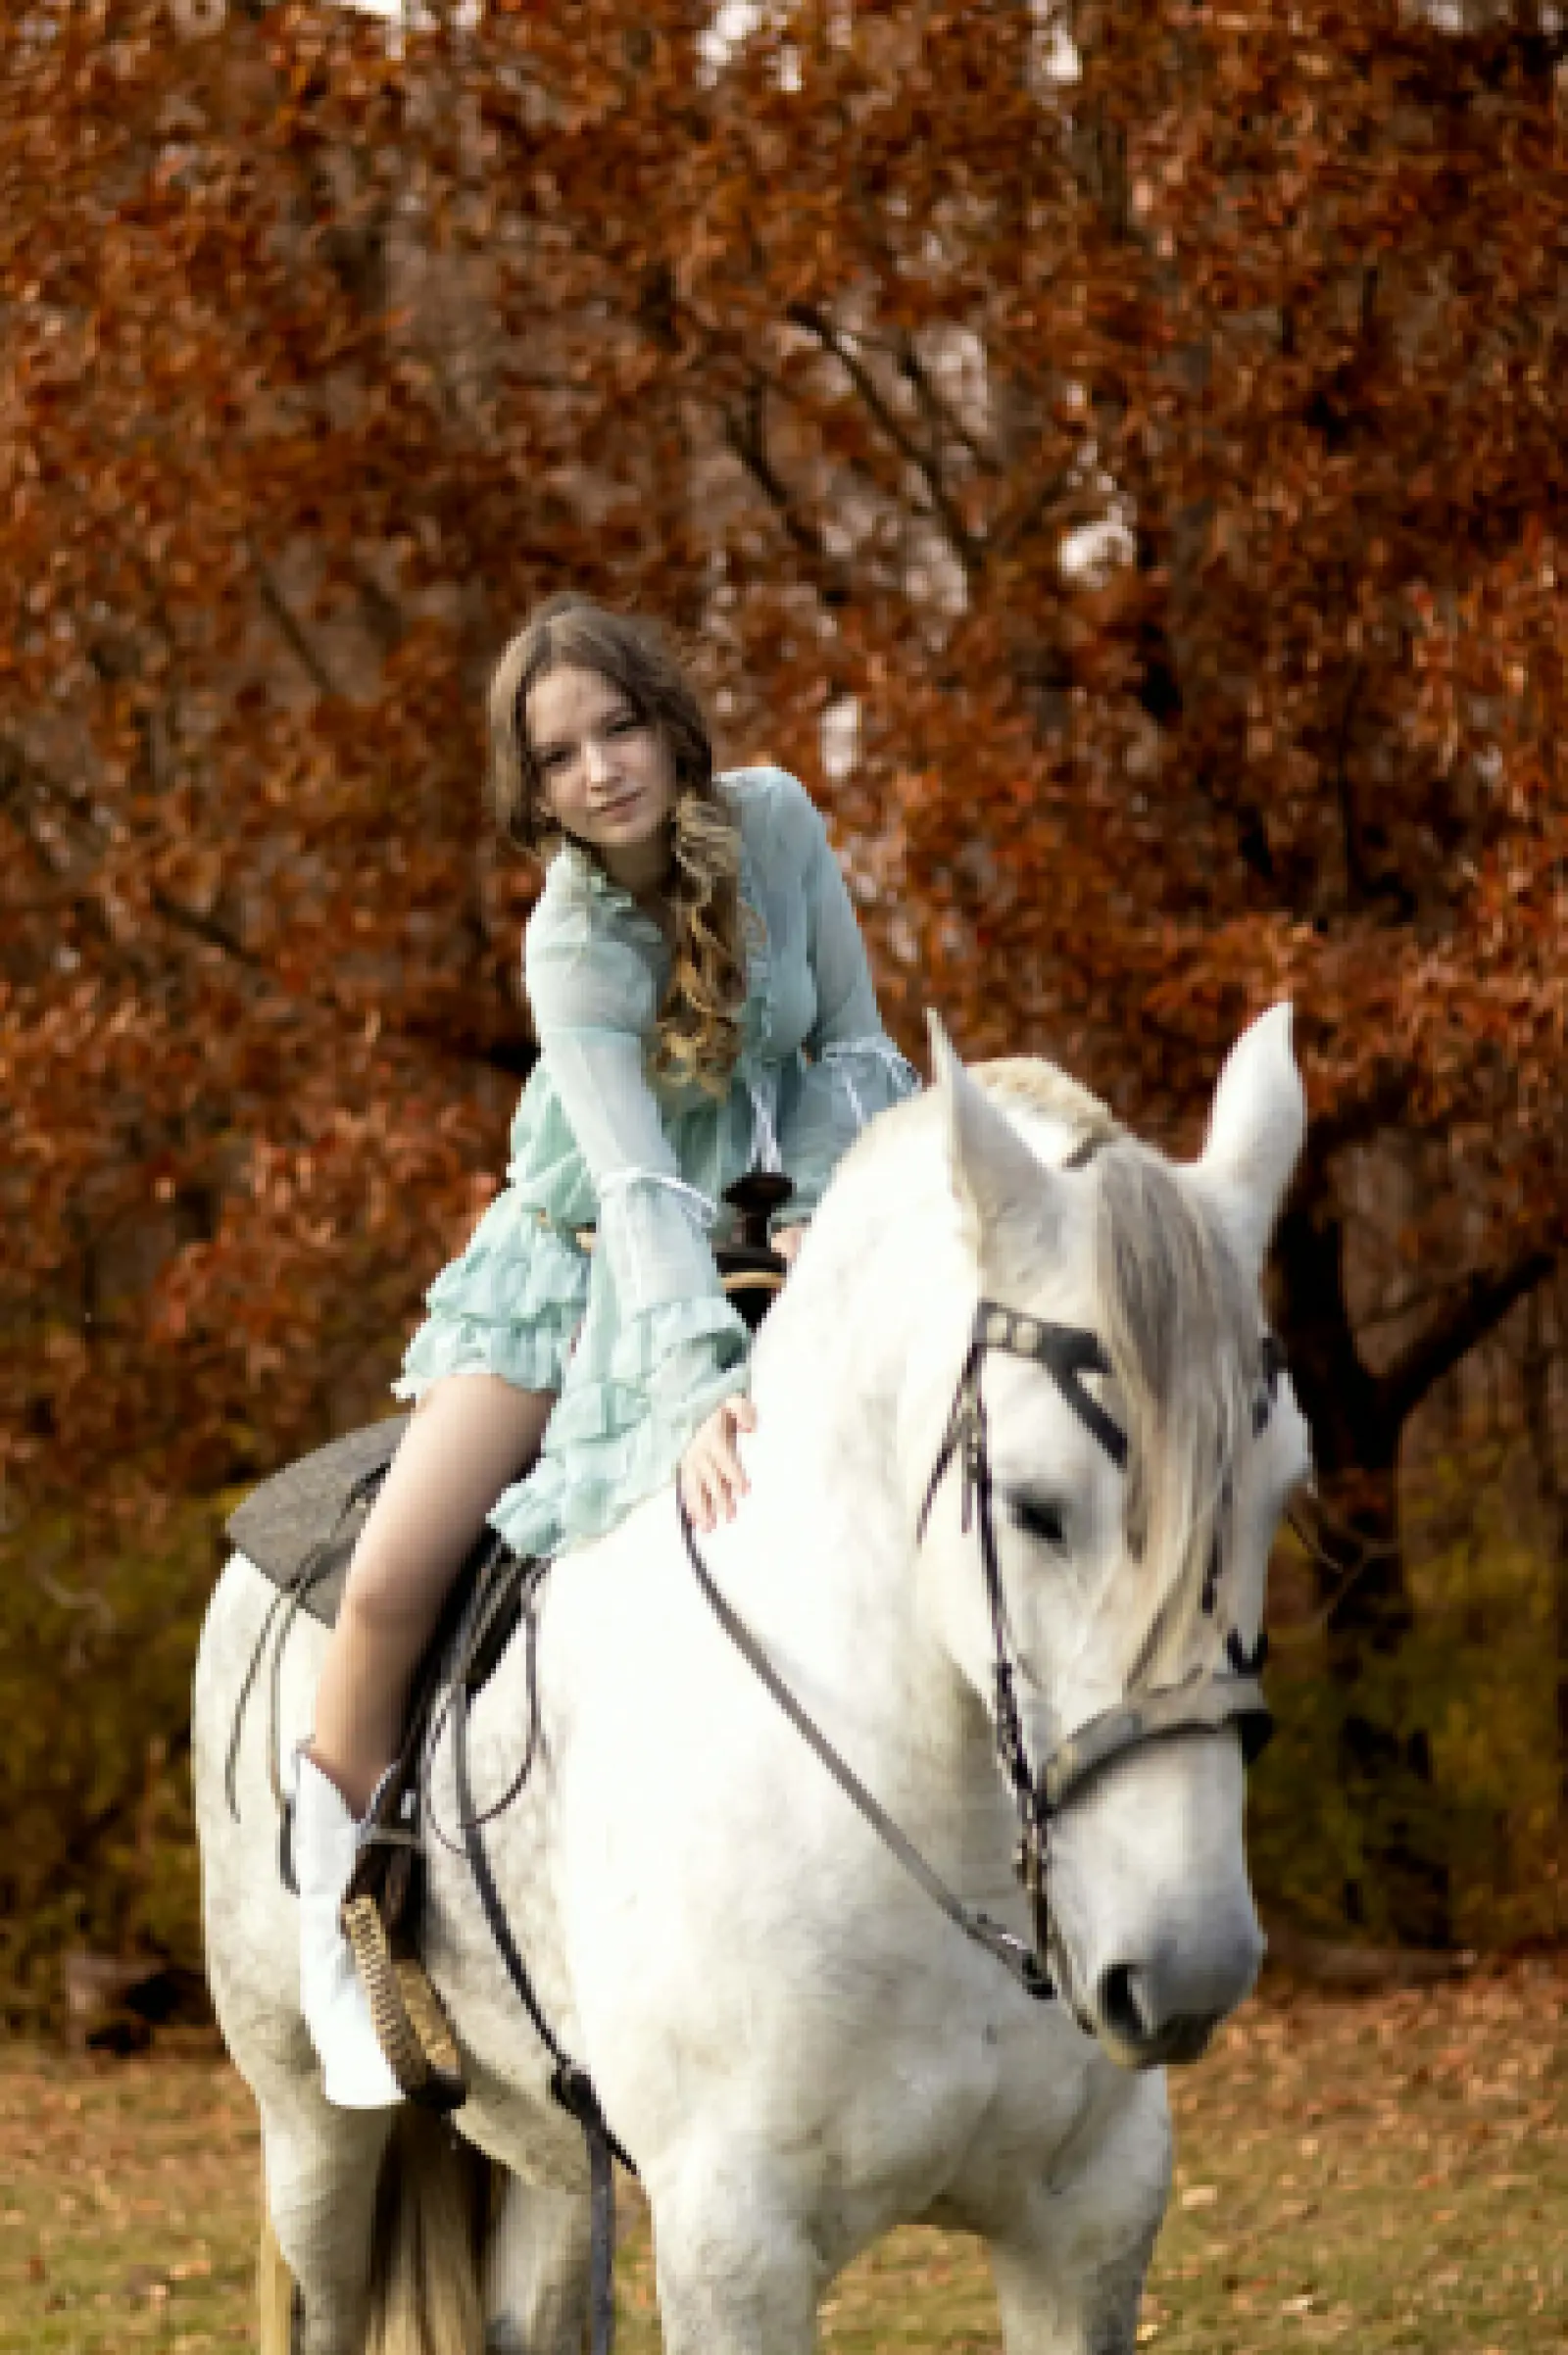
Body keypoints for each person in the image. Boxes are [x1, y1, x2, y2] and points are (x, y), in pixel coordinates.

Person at [293, 594, 920, 2107]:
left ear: (668, 722)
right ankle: (346, 1930)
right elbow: (635, 1187)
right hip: (583, 1263)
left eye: (619, 728)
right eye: (559, 756)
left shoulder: (779, 822)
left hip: (781, 1223)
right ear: (534, 788)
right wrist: (702, 1388)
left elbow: (849, 1045)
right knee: (386, 1579)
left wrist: (830, 1222)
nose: (600, 771)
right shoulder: (569, 941)